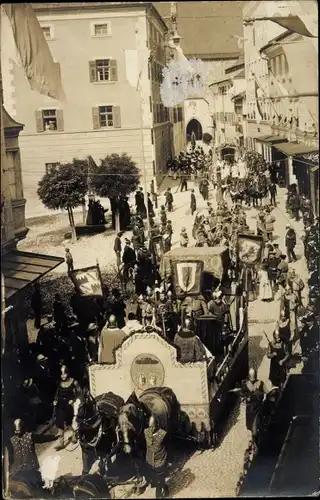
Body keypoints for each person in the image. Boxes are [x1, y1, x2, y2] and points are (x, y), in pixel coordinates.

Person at [53, 365, 81, 450]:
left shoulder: (74, 382)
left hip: (70, 405)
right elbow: (57, 394)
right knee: (60, 423)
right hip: (61, 405)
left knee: (70, 422)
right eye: (61, 374)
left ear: (68, 373)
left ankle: (74, 435)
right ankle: (61, 443)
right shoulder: (59, 383)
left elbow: (79, 393)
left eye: (64, 374)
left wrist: (73, 399)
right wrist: (55, 400)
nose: (63, 376)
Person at [144, 415, 169, 499]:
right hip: (150, 461)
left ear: (157, 425)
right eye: (150, 426)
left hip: (160, 460)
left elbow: (168, 447)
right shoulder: (146, 432)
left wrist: (167, 460)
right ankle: (165, 487)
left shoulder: (163, 434)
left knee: (158, 482)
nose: (151, 429)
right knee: (156, 480)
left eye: (153, 426)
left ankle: (158, 496)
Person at [240, 368, 269, 433]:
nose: (253, 381)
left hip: (259, 407)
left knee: (260, 423)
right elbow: (242, 397)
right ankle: (253, 437)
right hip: (250, 409)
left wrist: (264, 399)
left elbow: (267, 392)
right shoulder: (245, 385)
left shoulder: (261, 383)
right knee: (251, 425)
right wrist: (245, 399)